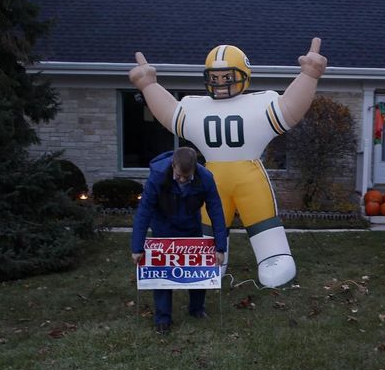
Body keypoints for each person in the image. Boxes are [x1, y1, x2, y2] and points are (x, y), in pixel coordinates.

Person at [128, 38, 327, 288]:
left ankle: (273, 255)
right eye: (215, 78)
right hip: (213, 178)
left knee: (261, 217)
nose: (221, 83)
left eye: (227, 76)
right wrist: (148, 85)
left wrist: (309, 75)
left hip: (248, 175)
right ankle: (211, 259)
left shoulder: (259, 103)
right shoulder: (197, 107)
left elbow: (289, 109)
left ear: (244, 75)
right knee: (209, 220)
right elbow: (170, 114)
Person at [131, 147, 227, 334]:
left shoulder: (206, 178)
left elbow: (216, 211)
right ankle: (163, 318)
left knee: (198, 270)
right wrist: (137, 247)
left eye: (187, 177)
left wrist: (220, 247)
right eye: (178, 176)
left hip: (191, 228)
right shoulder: (157, 176)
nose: (182, 180)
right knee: (162, 274)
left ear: (195, 169)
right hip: (162, 227)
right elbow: (143, 212)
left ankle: (197, 309)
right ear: (172, 165)